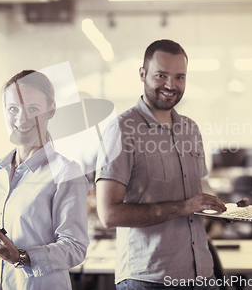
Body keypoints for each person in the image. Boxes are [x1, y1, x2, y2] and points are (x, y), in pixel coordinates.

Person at [96, 39, 226, 290]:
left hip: (201, 274)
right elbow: (108, 214)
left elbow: (194, 199)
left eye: (179, 77)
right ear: (142, 74)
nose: (171, 85)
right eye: (161, 75)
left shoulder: (191, 129)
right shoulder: (121, 130)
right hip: (149, 279)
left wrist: (224, 209)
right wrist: (183, 207)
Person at [0, 70, 89, 290]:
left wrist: (20, 257)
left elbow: (75, 248)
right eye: (13, 109)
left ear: (51, 110)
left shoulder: (65, 173)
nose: (22, 118)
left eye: (33, 109)